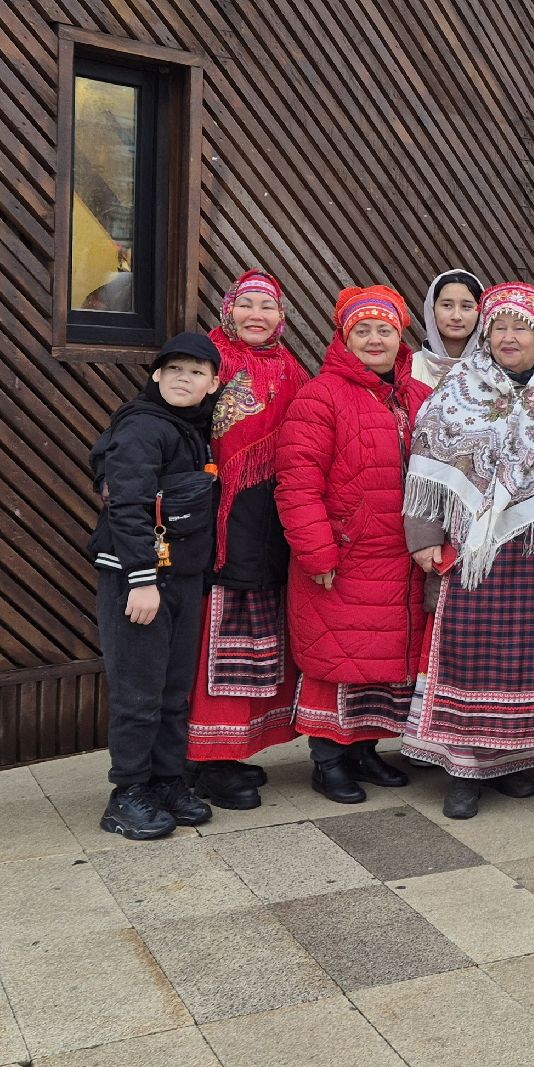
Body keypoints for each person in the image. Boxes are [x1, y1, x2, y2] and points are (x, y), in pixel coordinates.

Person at [402, 283, 534, 819]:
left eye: (520, 328)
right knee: (466, 655)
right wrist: (424, 537)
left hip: (532, 551)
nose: (508, 337)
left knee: (522, 657)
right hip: (467, 550)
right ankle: (462, 767)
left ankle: (509, 762)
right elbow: (426, 461)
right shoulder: (459, 389)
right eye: (499, 327)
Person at [276, 285, 430, 804]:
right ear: (344, 337)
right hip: (344, 555)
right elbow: (298, 480)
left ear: (400, 335)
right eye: (361, 330)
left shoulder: (415, 396)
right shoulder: (322, 395)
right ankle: (327, 760)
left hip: (398, 555)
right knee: (335, 660)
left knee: (379, 660)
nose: (374, 339)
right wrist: (316, 550)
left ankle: (364, 750)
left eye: (383, 329)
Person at [90, 333, 221, 839]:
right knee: (138, 692)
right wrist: (140, 582)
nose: (182, 379)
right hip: (140, 580)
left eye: (195, 372)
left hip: (182, 578)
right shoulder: (144, 427)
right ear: (155, 376)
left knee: (172, 690)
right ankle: (127, 794)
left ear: (212, 384)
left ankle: (166, 779)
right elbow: (126, 504)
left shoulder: (192, 430)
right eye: (173, 370)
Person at [186, 271, 309, 811]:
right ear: (228, 309)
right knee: (218, 637)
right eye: (248, 304)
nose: (257, 315)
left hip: (270, 521)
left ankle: (235, 749)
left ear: (281, 318)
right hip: (222, 519)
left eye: (268, 306)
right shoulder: (208, 361)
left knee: (258, 638)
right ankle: (204, 758)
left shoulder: (291, 369)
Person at [411, 269, 484, 389]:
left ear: (480, 313)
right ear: (432, 309)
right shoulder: (409, 369)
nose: (456, 316)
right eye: (447, 305)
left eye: (466, 307)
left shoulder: (492, 374)